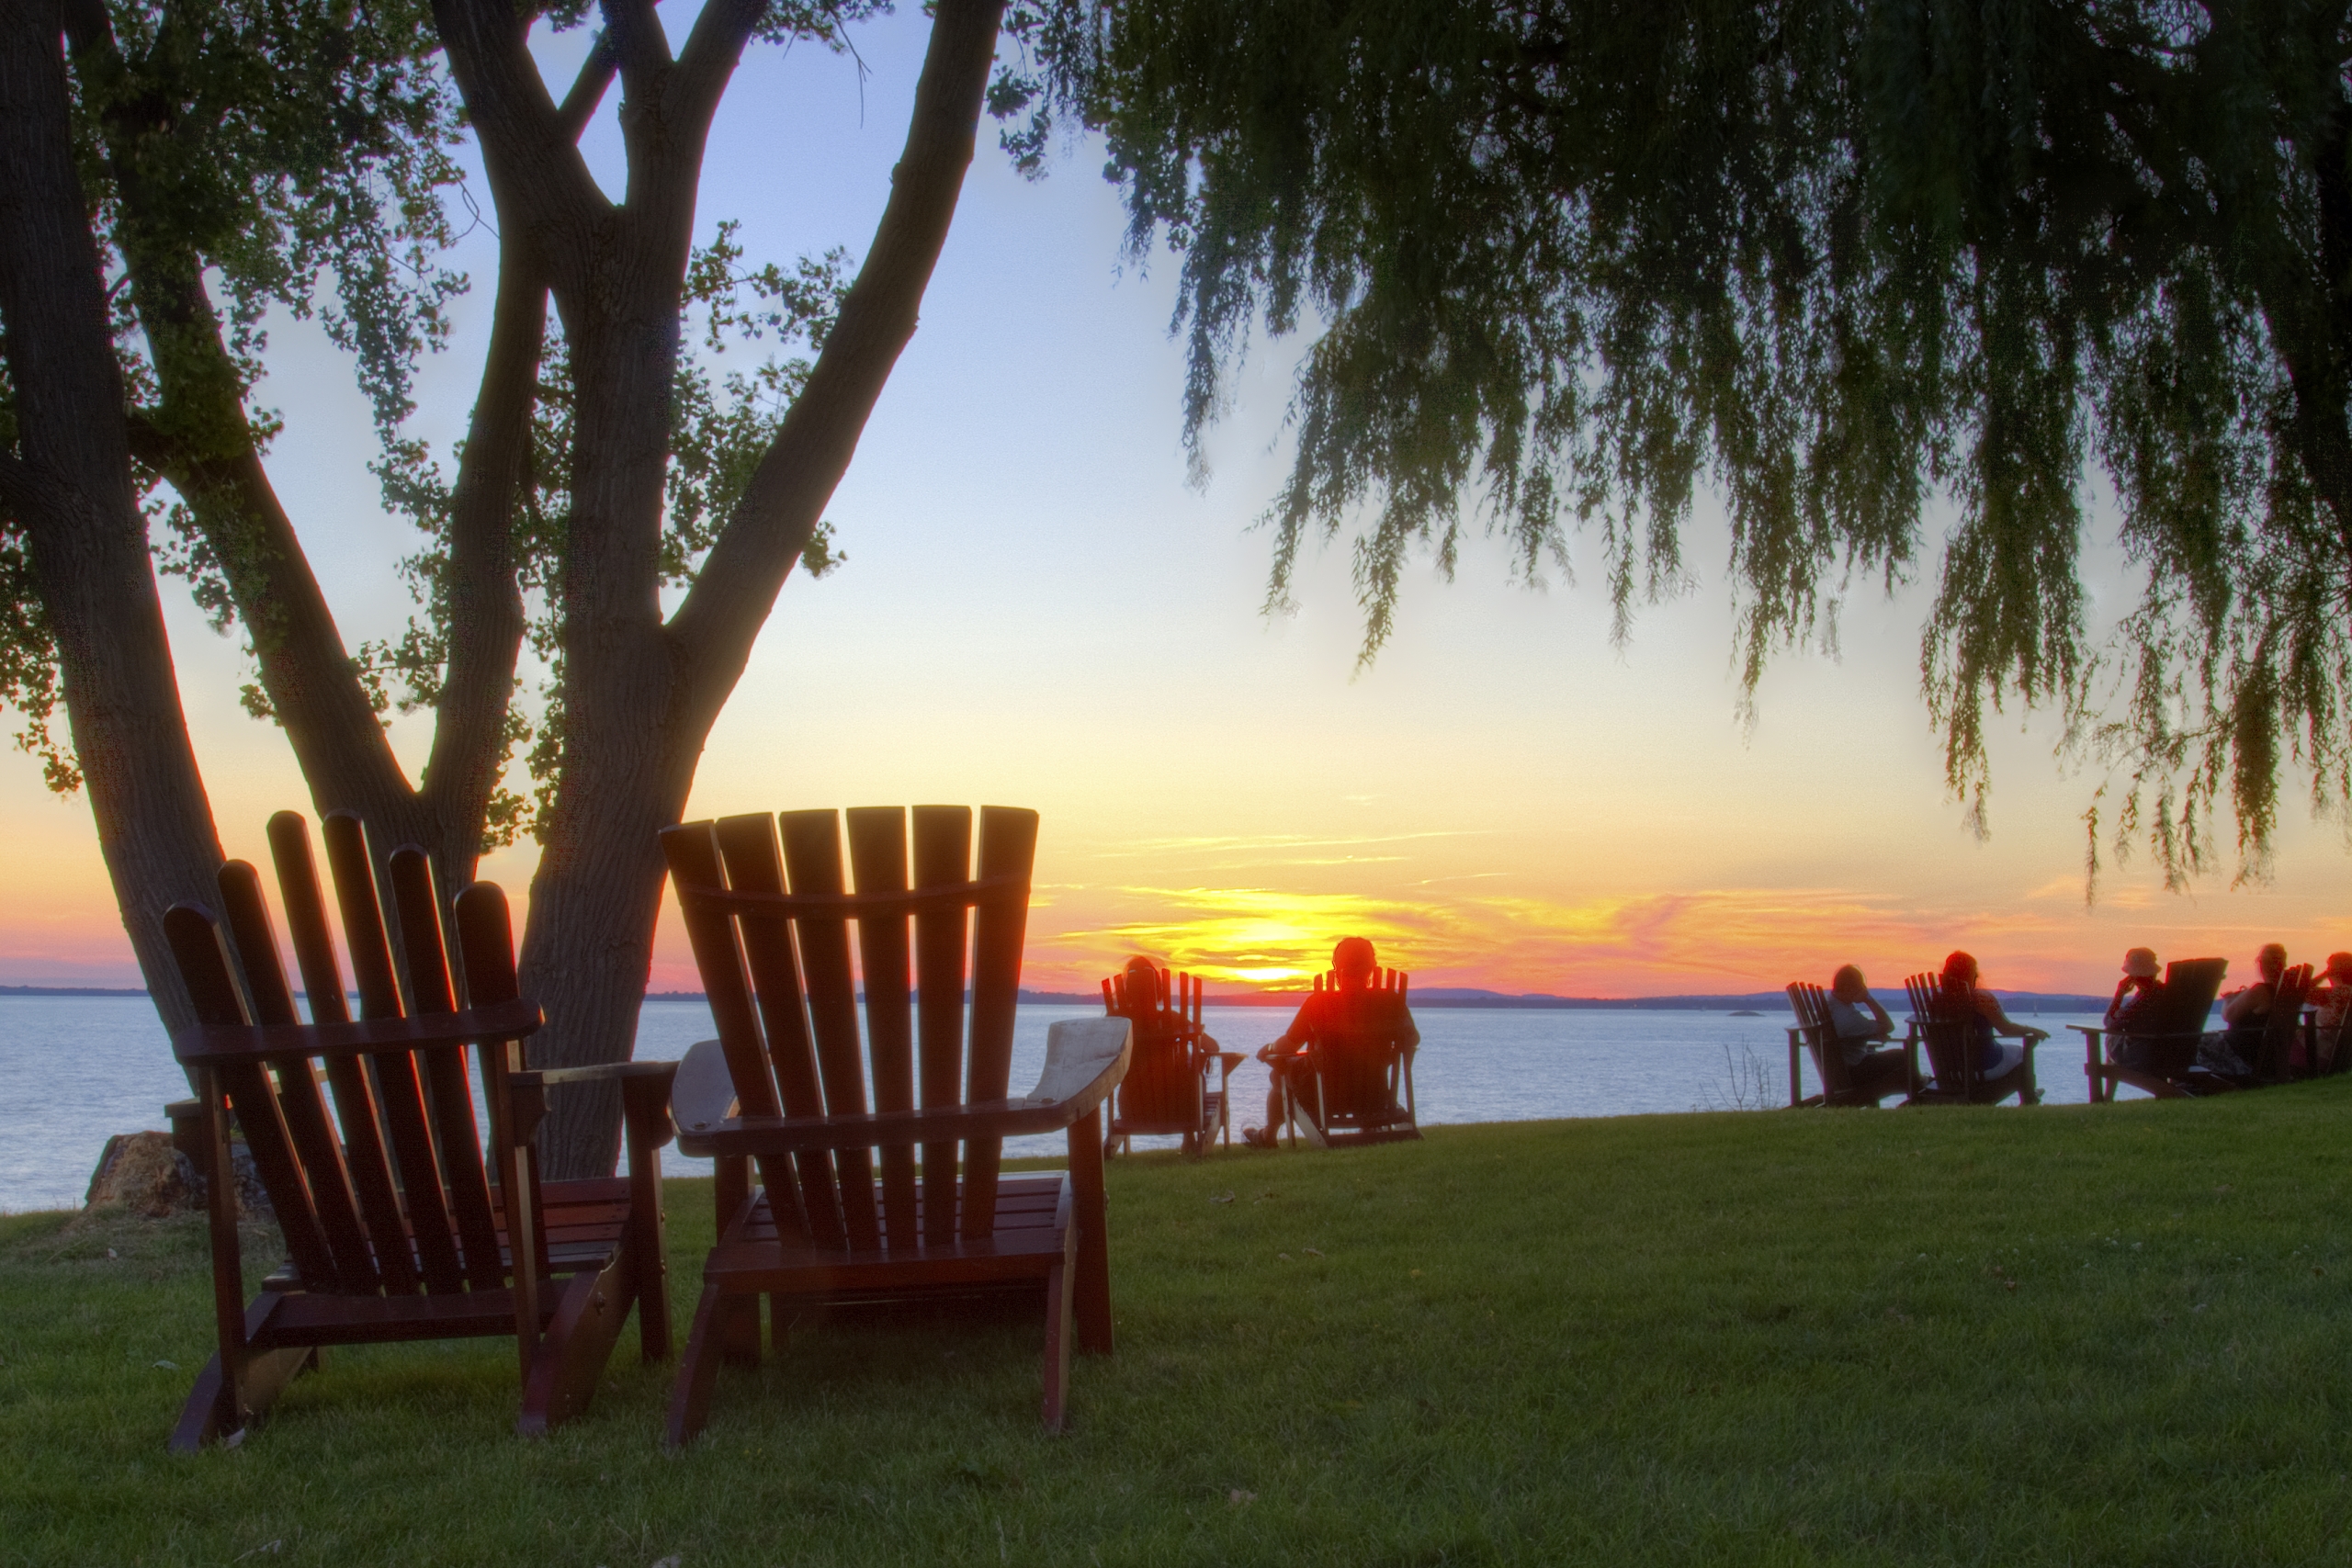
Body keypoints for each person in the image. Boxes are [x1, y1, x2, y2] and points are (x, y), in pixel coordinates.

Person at [1243, 936, 1419, 1149]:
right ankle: (1370, 1126)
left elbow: (1288, 1046)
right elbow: (1412, 1039)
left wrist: (1270, 1050)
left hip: (1324, 1096)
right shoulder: (1391, 1002)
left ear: (1337, 968)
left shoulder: (1319, 1004)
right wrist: (1389, 1052)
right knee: (1285, 1073)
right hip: (1376, 1094)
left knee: (1278, 1074)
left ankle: (1268, 1136)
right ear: (1372, 968)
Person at [1937, 951, 2044, 1087]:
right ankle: (2029, 1098)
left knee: (2012, 1052)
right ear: (1969, 974)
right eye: (1974, 971)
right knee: (2021, 1053)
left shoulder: (1936, 1002)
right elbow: (2006, 1029)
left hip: (1951, 1071)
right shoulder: (1981, 999)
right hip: (1983, 1067)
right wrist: (2033, 1031)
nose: (1977, 975)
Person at [1823, 964, 1907, 1102]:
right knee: (1904, 1056)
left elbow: (1849, 1032)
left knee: (1899, 1062)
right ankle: (1919, 1089)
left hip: (1839, 1071)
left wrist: (1871, 1034)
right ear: (1850, 988)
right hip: (1854, 1072)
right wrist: (1868, 999)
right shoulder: (1847, 1017)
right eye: (1860, 987)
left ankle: (1918, 1086)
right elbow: (1887, 1026)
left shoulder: (1831, 1005)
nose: (1863, 989)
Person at [2209, 942, 2288, 1077]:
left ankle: (2183, 1086)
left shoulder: (2261, 990)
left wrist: (2228, 998)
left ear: (2262, 964)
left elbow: (2228, 1015)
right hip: (2263, 1056)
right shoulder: (2283, 992)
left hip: (2241, 1058)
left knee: (2193, 1043)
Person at [2310, 952, 2352, 1074]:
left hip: (2318, 1054)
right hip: (2332, 1053)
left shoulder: (2340, 993)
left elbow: (2302, 992)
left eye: (2329, 967)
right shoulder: (2345, 993)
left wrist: (2323, 975)